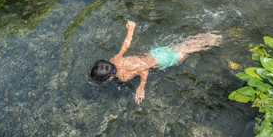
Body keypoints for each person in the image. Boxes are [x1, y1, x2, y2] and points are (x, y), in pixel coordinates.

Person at [90, 21, 222, 104]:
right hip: (155, 52)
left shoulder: (124, 76)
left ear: (110, 77)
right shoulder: (114, 60)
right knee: (182, 45)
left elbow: (143, 69)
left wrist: (141, 87)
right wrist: (131, 29)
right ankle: (211, 36)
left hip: (162, 60)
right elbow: (125, 46)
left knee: (185, 52)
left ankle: (216, 40)